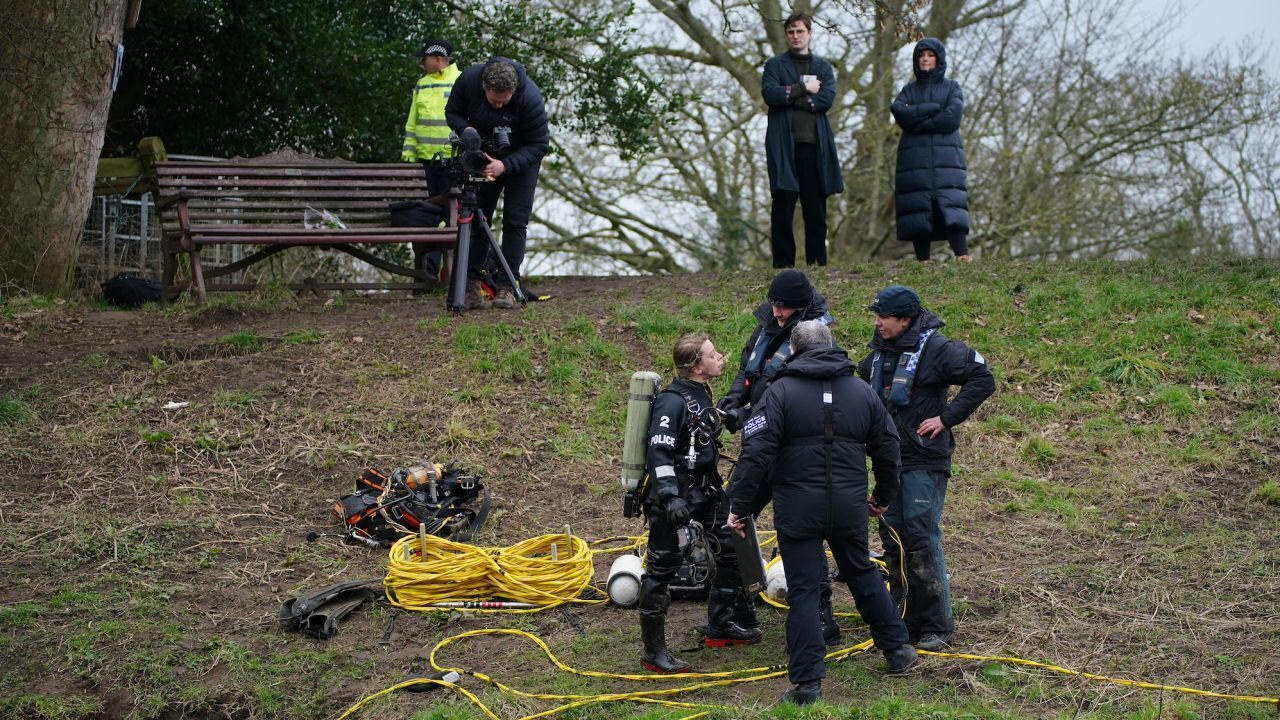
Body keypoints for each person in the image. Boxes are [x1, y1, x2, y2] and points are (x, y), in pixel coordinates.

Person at [727, 321, 919, 705]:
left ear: (793, 351)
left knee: (804, 590)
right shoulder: (862, 391)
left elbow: (755, 453)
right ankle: (897, 649)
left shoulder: (779, 392)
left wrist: (739, 506)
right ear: (832, 345)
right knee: (862, 571)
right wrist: (882, 495)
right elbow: (888, 448)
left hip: (799, 509)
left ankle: (808, 683)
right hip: (848, 505)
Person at [856, 285, 994, 650]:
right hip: (888, 462)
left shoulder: (939, 350)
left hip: (924, 459)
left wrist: (946, 418)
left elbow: (983, 379)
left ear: (904, 319)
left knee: (919, 536)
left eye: (883, 317)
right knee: (892, 538)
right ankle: (903, 619)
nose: (877, 322)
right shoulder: (873, 358)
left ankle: (937, 626)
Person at [716, 268, 841, 645]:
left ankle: (823, 615)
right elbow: (748, 371)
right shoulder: (766, 325)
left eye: (785, 308)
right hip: (759, 444)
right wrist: (733, 400)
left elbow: (789, 392)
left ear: (803, 308)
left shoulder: (813, 336)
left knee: (803, 535)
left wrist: (747, 414)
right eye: (774, 305)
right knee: (732, 517)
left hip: (792, 449)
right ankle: (737, 607)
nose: (778, 313)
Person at [638, 333, 762, 674]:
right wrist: (669, 496)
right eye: (712, 354)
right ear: (697, 366)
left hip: (707, 492)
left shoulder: (699, 394)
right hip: (675, 499)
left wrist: (728, 416)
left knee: (733, 547)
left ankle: (720, 624)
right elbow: (659, 451)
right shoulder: (671, 401)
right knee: (661, 571)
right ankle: (654, 652)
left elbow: (699, 430)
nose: (720, 357)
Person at [445, 58, 549, 309]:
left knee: (515, 221)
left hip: (521, 162)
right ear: (483, 87)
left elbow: (539, 145)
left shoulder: (531, 99)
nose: (499, 105)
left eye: (505, 101)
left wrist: (505, 165)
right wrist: (467, 130)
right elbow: (453, 112)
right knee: (478, 220)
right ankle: (470, 286)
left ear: (514, 92)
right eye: (494, 100)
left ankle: (506, 286)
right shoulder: (468, 81)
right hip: (483, 156)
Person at [761, 11, 844, 268]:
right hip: (783, 146)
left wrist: (791, 97)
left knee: (815, 209)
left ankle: (817, 264)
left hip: (814, 147)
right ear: (786, 35)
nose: (795, 36)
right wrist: (804, 89)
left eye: (800, 31)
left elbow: (826, 100)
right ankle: (783, 267)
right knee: (783, 208)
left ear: (809, 33)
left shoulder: (822, 67)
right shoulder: (774, 65)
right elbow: (771, 94)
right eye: (790, 32)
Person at [891, 38, 972, 263]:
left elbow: (952, 117)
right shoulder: (908, 90)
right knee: (918, 206)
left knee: (950, 203)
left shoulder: (952, 87)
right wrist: (934, 109)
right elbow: (898, 111)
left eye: (930, 55)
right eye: (921, 55)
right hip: (914, 159)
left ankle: (962, 254)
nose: (925, 59)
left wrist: (917, 119)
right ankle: (922, 260)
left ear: (939, 58)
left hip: (947, 159)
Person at [401, 38, 461, 284]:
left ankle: (454, 276)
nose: (421, 62)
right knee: (429, 215)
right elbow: (412, 121)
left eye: (423, 58)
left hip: (453, 162)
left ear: (437, 58)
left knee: (452, 215)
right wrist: (410, 151)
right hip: (426, 162)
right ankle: (428, 276)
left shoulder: (460, 81)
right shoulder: (421, 85)